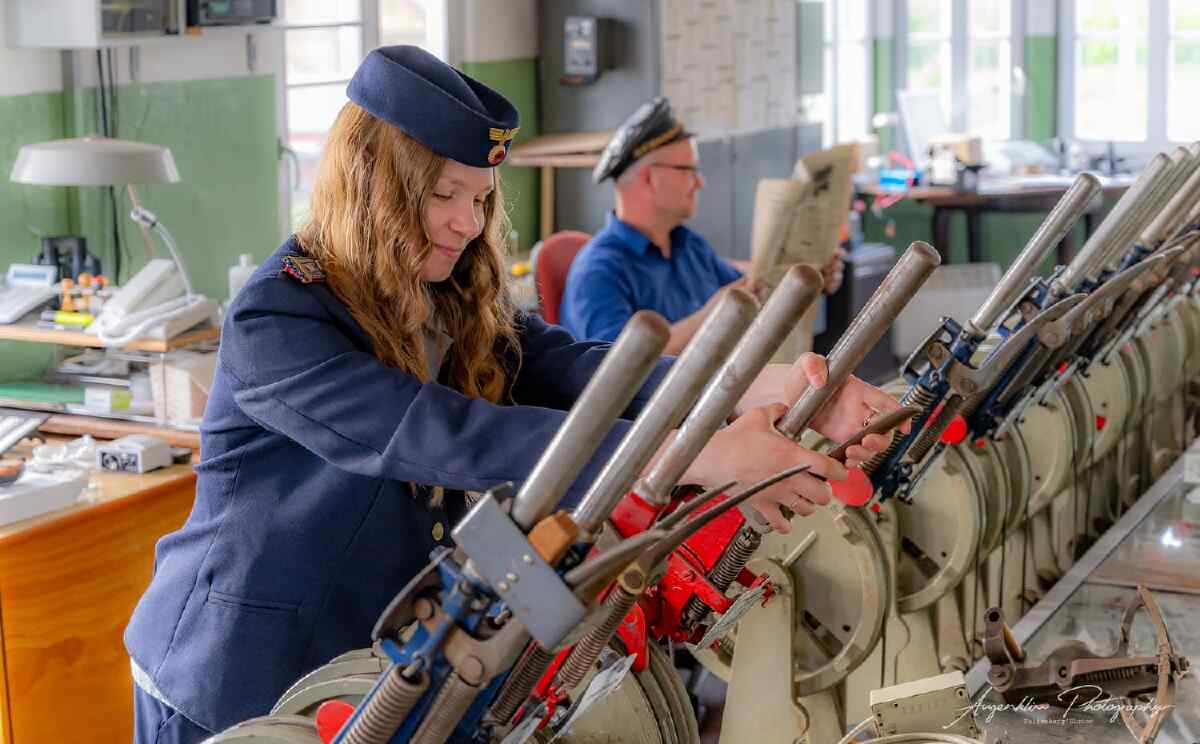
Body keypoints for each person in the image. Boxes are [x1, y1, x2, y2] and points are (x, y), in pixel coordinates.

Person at [123, 46, 901, 744]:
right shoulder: (280, 316)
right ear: (373, 187)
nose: (468, 223)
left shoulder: (442, 293)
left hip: (380, 663)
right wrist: (704, 454)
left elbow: (575, 369)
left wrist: (766, 387)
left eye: (482, 199)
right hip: (236, 677)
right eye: (444, 194)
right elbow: (442, 435)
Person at [559, 97, 845, 354]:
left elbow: (752, 288)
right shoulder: (598, 272)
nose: (700, 182)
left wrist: (805, 278)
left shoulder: (687, 245)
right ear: (650, 179)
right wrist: (712, 317)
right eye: (689, 170)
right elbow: (617, 369)